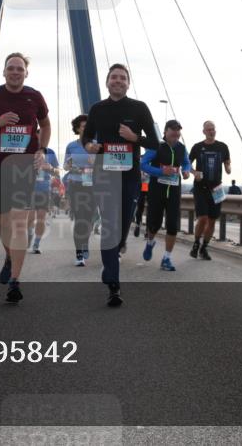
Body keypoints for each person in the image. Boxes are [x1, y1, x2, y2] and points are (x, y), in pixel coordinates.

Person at [82, 63, 159, 306]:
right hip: (104, 174)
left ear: (128, 83)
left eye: (122, 78)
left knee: (123, 224)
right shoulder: (97, 109)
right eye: (113, 77)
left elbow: (155, 143)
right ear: (107, 82)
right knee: (109, 225)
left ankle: (114, 254)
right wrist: (89, 146)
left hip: (129, 175)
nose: (117, 81)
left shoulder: (139, 108)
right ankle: (114, 284)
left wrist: (135, 138)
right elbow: (86, 136)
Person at [0, 53, 51, 304]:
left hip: (25, 166)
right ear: (4, 72)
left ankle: (15, 280)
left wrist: (42, 149)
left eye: (19, 69)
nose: (15, 72)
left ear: (26, 73)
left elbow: (45, 124)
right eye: (11, 68)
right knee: (4, 224)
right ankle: (10, 256)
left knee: (19, 222)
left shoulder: (34, 97)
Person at [139, 119, 191, 271]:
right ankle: (150, 242)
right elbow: (143, 164)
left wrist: (186, 170)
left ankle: (167, 258)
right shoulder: (156, 146)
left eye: (178, 134)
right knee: (153, 224)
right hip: (157, 190)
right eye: (173, 134)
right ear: (165, 132)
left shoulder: (182, 148)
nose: (175, 137)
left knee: (172, 225)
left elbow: (186, 162)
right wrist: (161, 171)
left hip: (174, 191)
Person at [188, 121, 231, 260]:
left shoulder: (223, 147)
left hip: (217, 188)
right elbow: (186, 163)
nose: (212, 131)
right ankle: (195, 243)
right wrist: (194, 172)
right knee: (203, 218)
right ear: (204, 132)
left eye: (213, 129)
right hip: (201, 188)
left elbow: (227, 163)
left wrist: (228, 168)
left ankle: (204, 247)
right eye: (209, 129)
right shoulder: (197, 147)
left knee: (212, 221)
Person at [64, 114, 95, 266]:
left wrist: (95, 163)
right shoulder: (72, 146)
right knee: (79, 218)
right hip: (76, 185)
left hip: (92, 186)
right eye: (83, 126)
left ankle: (85, 243)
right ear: (77, 128)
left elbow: (105, 165)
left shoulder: (96, 145)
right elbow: (65, 166)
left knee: (89, 219)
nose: (86, 129)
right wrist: (71, 166)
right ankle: (79, 254)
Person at [28, 146, 59, 254]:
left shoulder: (51, 152)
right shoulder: (29, 149)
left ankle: (36, 244)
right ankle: (29, 234)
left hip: (44, 190)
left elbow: (57, 172)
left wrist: (50, 168)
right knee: (30, 218)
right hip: (28, 189)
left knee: (41, 218)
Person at [133, 173, 149, 237]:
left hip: (146, 183)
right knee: (142, 206)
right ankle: (139, 225)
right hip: (146, 184)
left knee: (141, 206)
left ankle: (139, 225)